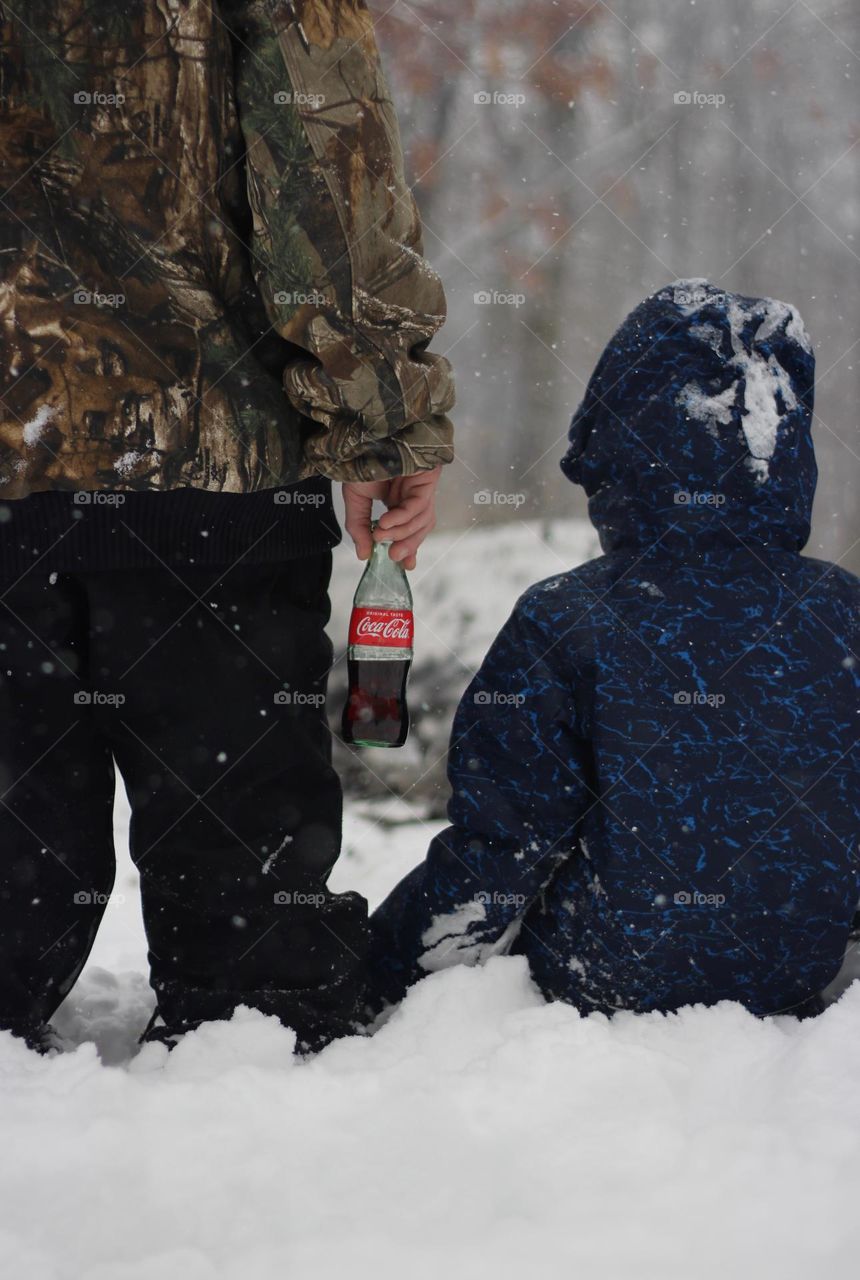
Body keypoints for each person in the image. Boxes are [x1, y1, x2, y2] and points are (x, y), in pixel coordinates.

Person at [0, 1, 454, 1052]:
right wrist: (381, 420)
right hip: (202, 477)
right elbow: (320, 161)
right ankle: (260, 1158)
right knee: (251, 961)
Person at [370, 281, 859, 1021]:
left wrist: (371, 972)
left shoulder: (567, 618)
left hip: (599, 987)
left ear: (619, 446)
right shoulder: (843, 614)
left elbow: (501, 850)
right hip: (800, 983)